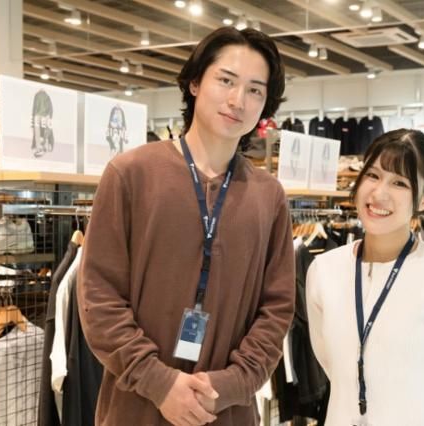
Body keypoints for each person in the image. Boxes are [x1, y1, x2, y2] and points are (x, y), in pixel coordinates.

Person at [77, 27, 295, 426]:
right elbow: (99, 297)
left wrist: (230, 385)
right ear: (195, 82)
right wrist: (159, 382)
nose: (238, 100)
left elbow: (277, 308)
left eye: (254, 90)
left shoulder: (269, 196)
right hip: (135, 409)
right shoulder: (131, 174)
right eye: (226, 80)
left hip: (226, 412)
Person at [306, 129, 424, 425]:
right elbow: (332, 365)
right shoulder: (324, 271)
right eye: (373, 175)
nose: (379, 193)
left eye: (400, 183)